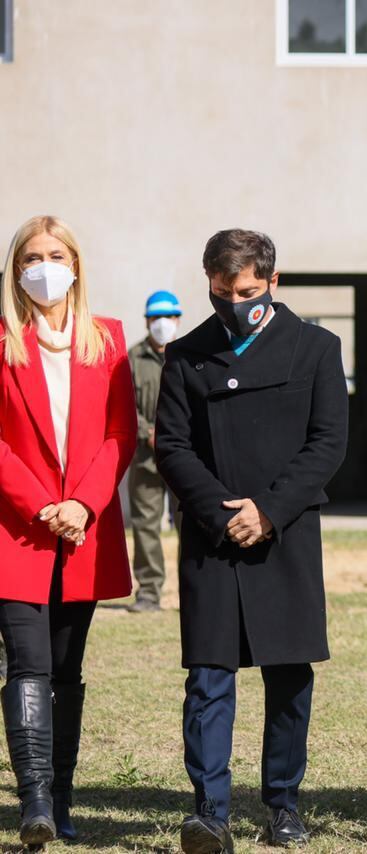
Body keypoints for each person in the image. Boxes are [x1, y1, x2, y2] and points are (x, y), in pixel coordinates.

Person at [155, 229, 348, 853]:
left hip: (284, 535)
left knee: (289, 675)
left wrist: (268, 510)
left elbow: (328, 443)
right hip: (212, 539)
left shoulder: (317, 348)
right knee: (208, 678)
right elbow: (173, 447)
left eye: (246, 291)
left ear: (273, 280)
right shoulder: (186, 355)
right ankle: (209, 811)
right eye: (220, 291)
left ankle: (283, 803)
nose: (234, 302)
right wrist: (220, 511)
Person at [0, 215, 136, 846]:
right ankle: (34, 805)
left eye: (55, 254)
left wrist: (81, 503)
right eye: (32, 256)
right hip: (16, 530)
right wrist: (41, 504)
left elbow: (119, 435)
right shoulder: (2, 339)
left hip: (84, 531)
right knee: (26, 663)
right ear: (15, 268)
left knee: (65, 668)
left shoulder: (105, 338)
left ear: (75, 264)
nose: (44, 266)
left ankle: (63, 798)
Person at [126, 290, 182, 613]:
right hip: (145, 459)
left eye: (169, 317)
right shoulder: (133, 359)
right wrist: (149, 431)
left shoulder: (188, 355)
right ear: (147, 321)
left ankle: (194, 590)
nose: (163, 324)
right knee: (145, 524)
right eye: (155, 318)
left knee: (188, 523)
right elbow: (122, 405)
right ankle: (148, 591)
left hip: (183, 459)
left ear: (178, 319)